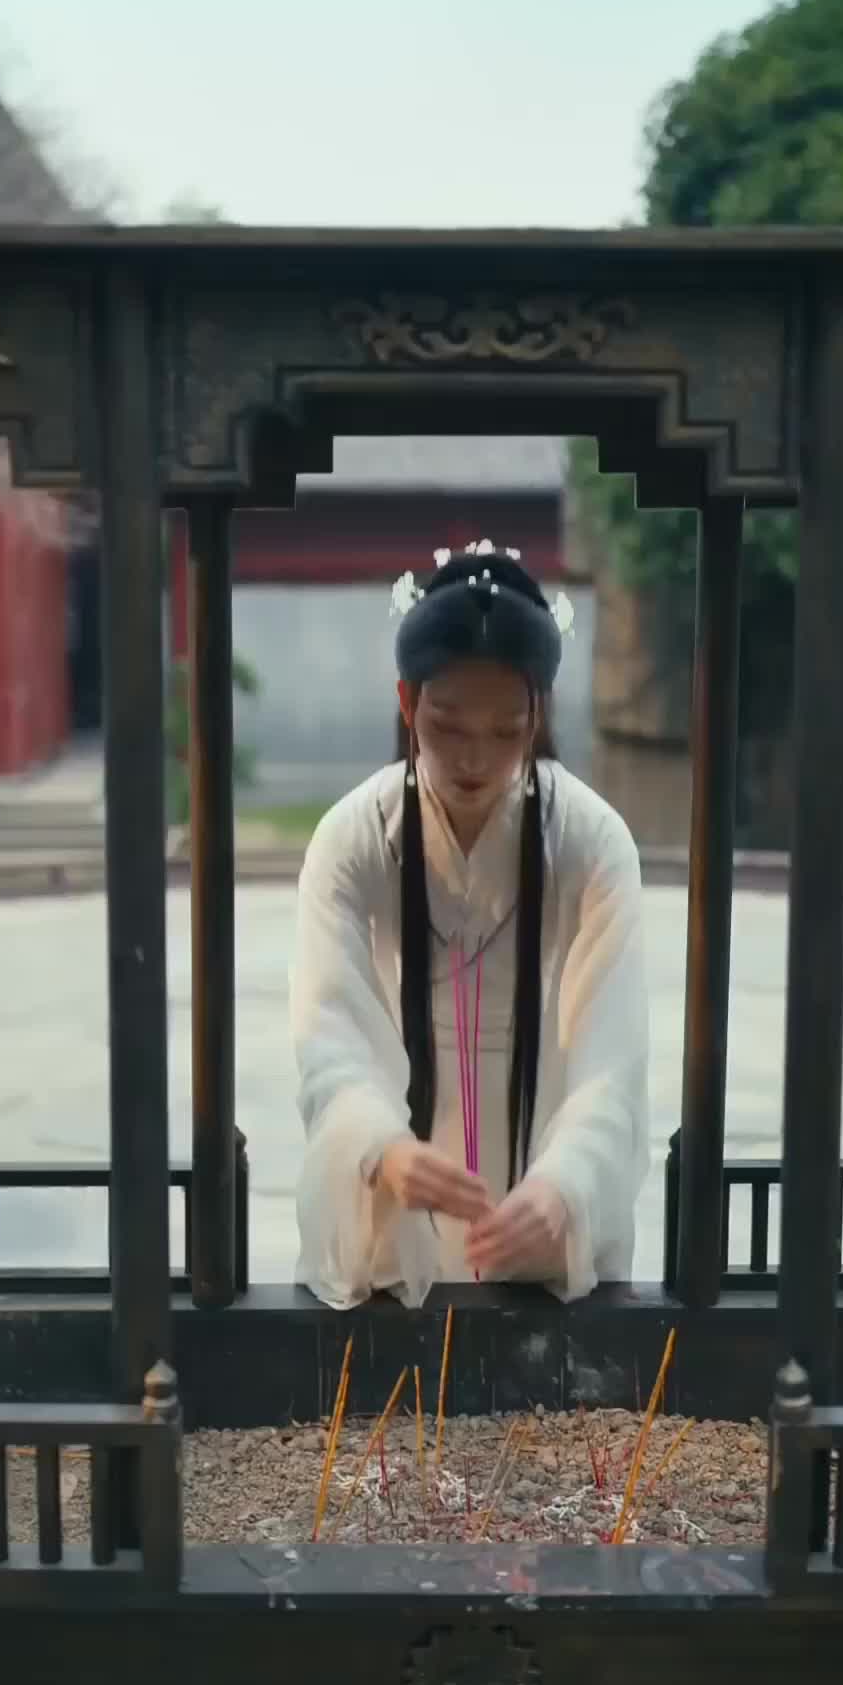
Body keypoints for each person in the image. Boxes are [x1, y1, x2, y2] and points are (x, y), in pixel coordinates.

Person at [290, 542, 649, 1311]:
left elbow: (611, 1056)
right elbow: (329, 1034)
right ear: (406, 701)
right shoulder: (353, 838)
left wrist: (568, 1182)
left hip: (542, 1178)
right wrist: (378, 1145)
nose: (475, 759)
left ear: (538, 715)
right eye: (448, 726)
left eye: (506, 730)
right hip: (394, 1189)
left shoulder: (591, 842)